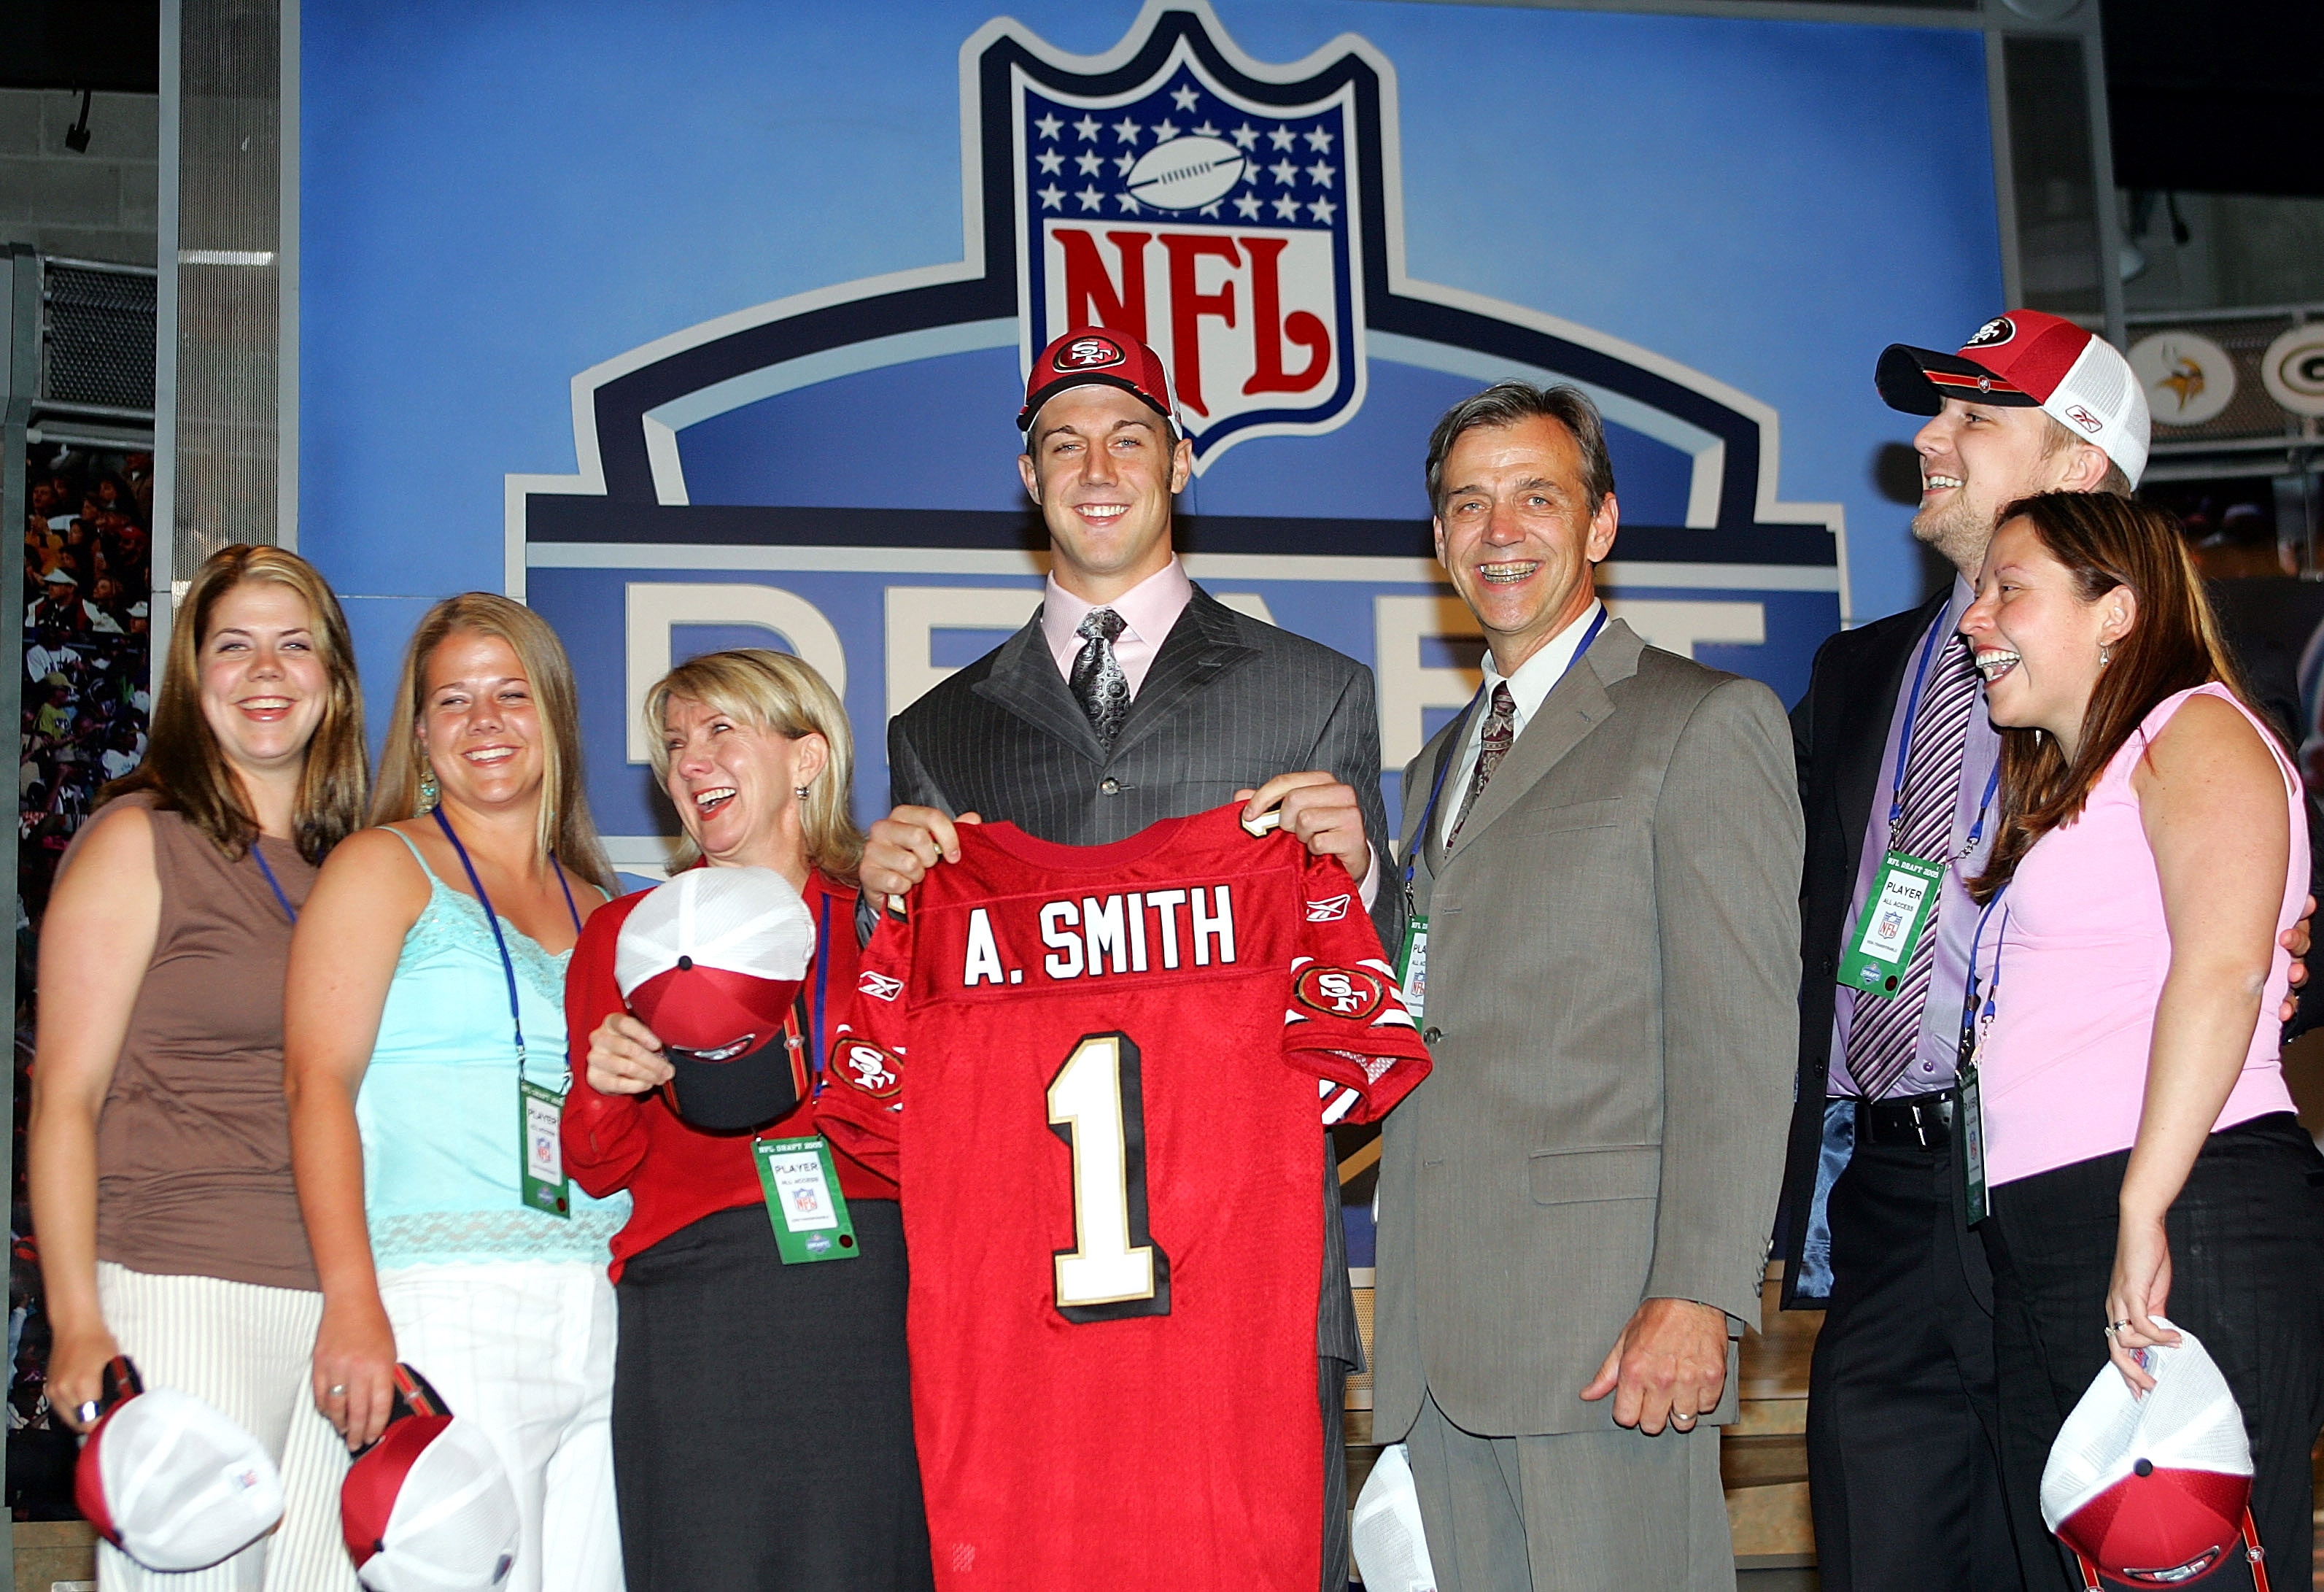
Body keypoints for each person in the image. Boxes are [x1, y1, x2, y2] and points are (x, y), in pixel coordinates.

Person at [861, 327, 1391, 1592]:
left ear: (1181, 461)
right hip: (1030, 1298)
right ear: (1028, 477)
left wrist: (1361, 874)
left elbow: (1382, 993)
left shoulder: (1314, 689)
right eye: (1064, 443)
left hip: (1247, 1282)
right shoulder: (935, 731)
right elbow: (925, 1035)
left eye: (1128, 436)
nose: (1097, 466)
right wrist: (885, 895)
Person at [1368, 382, 1800, 1591]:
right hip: (1435, 1343)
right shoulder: (1432, 768)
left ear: (1600, 523)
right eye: (1467, 503)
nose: (1497, 530)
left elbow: (1741, 1037)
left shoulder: (1701, 721)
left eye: (1534, 497)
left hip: (1607, 1332)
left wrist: (1696, 1292)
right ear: (1439, 538)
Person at [1775, 312, 2161, 1592]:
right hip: (1882, 1197)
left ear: (2078, 468)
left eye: (1971, 419)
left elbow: (2274, 939)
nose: (1926, 441)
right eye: (1933, 414)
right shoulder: (1852, 673)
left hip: (2066, 1198)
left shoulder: (2165, 686)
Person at [1959, 490, 2324, 1590]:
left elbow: (2224, 967)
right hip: (2065, 1223)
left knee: (2197, 1571)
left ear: (2114, 610)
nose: (1976, 618)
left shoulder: (2193, 728)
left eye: (2007, 589)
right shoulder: (2076, 784)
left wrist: (2141, 1204)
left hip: (2183, 1204)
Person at [27, 545, 369, 1592]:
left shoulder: (360, 862)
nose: (265, 671)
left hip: (342, 1308)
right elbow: (64, 1096)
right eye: (234, 645)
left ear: (336, 680)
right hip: (179, 1282)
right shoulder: (139, 838)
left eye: (293, 645)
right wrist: (77, 1318)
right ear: (192, 675)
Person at [561, 649, 932, 1591]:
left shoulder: (884, 920)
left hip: (867, 1304)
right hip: (696, 1307)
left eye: (722, 729)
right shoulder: (628, 935)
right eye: (676, 742)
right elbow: (596, 1165)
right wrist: (609, 1080)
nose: (690, 760)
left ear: (806, 759)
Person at [284, 593, 627, 1592]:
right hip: (445, 1303)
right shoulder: (380, 867)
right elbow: (317, 1084)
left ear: (554, 717)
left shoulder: (603, 907)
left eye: (511, 695)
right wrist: (352, 1303)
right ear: (422, 734)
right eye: (454, 700)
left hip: (599, 1303)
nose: (485, 722)